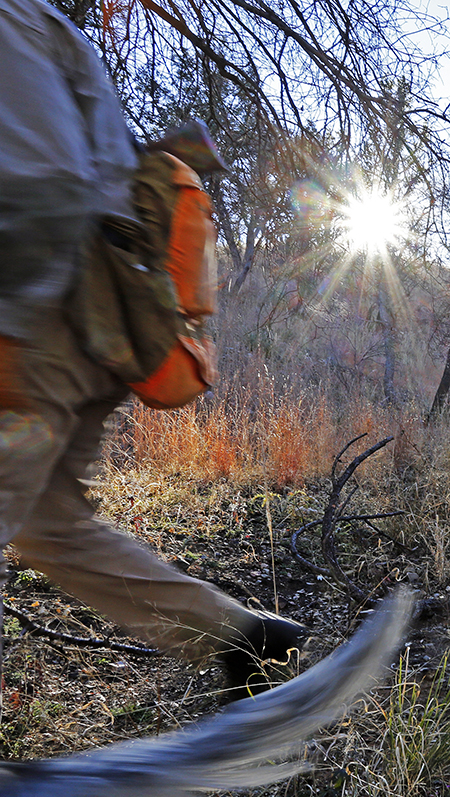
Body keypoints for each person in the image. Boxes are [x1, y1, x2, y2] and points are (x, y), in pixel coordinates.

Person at [0, 0, 307, 701]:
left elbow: (44, 184)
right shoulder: (42, 23)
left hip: (37, 318)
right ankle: (241, 638)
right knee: (51, 526)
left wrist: (13, 326)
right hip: (92, 319)